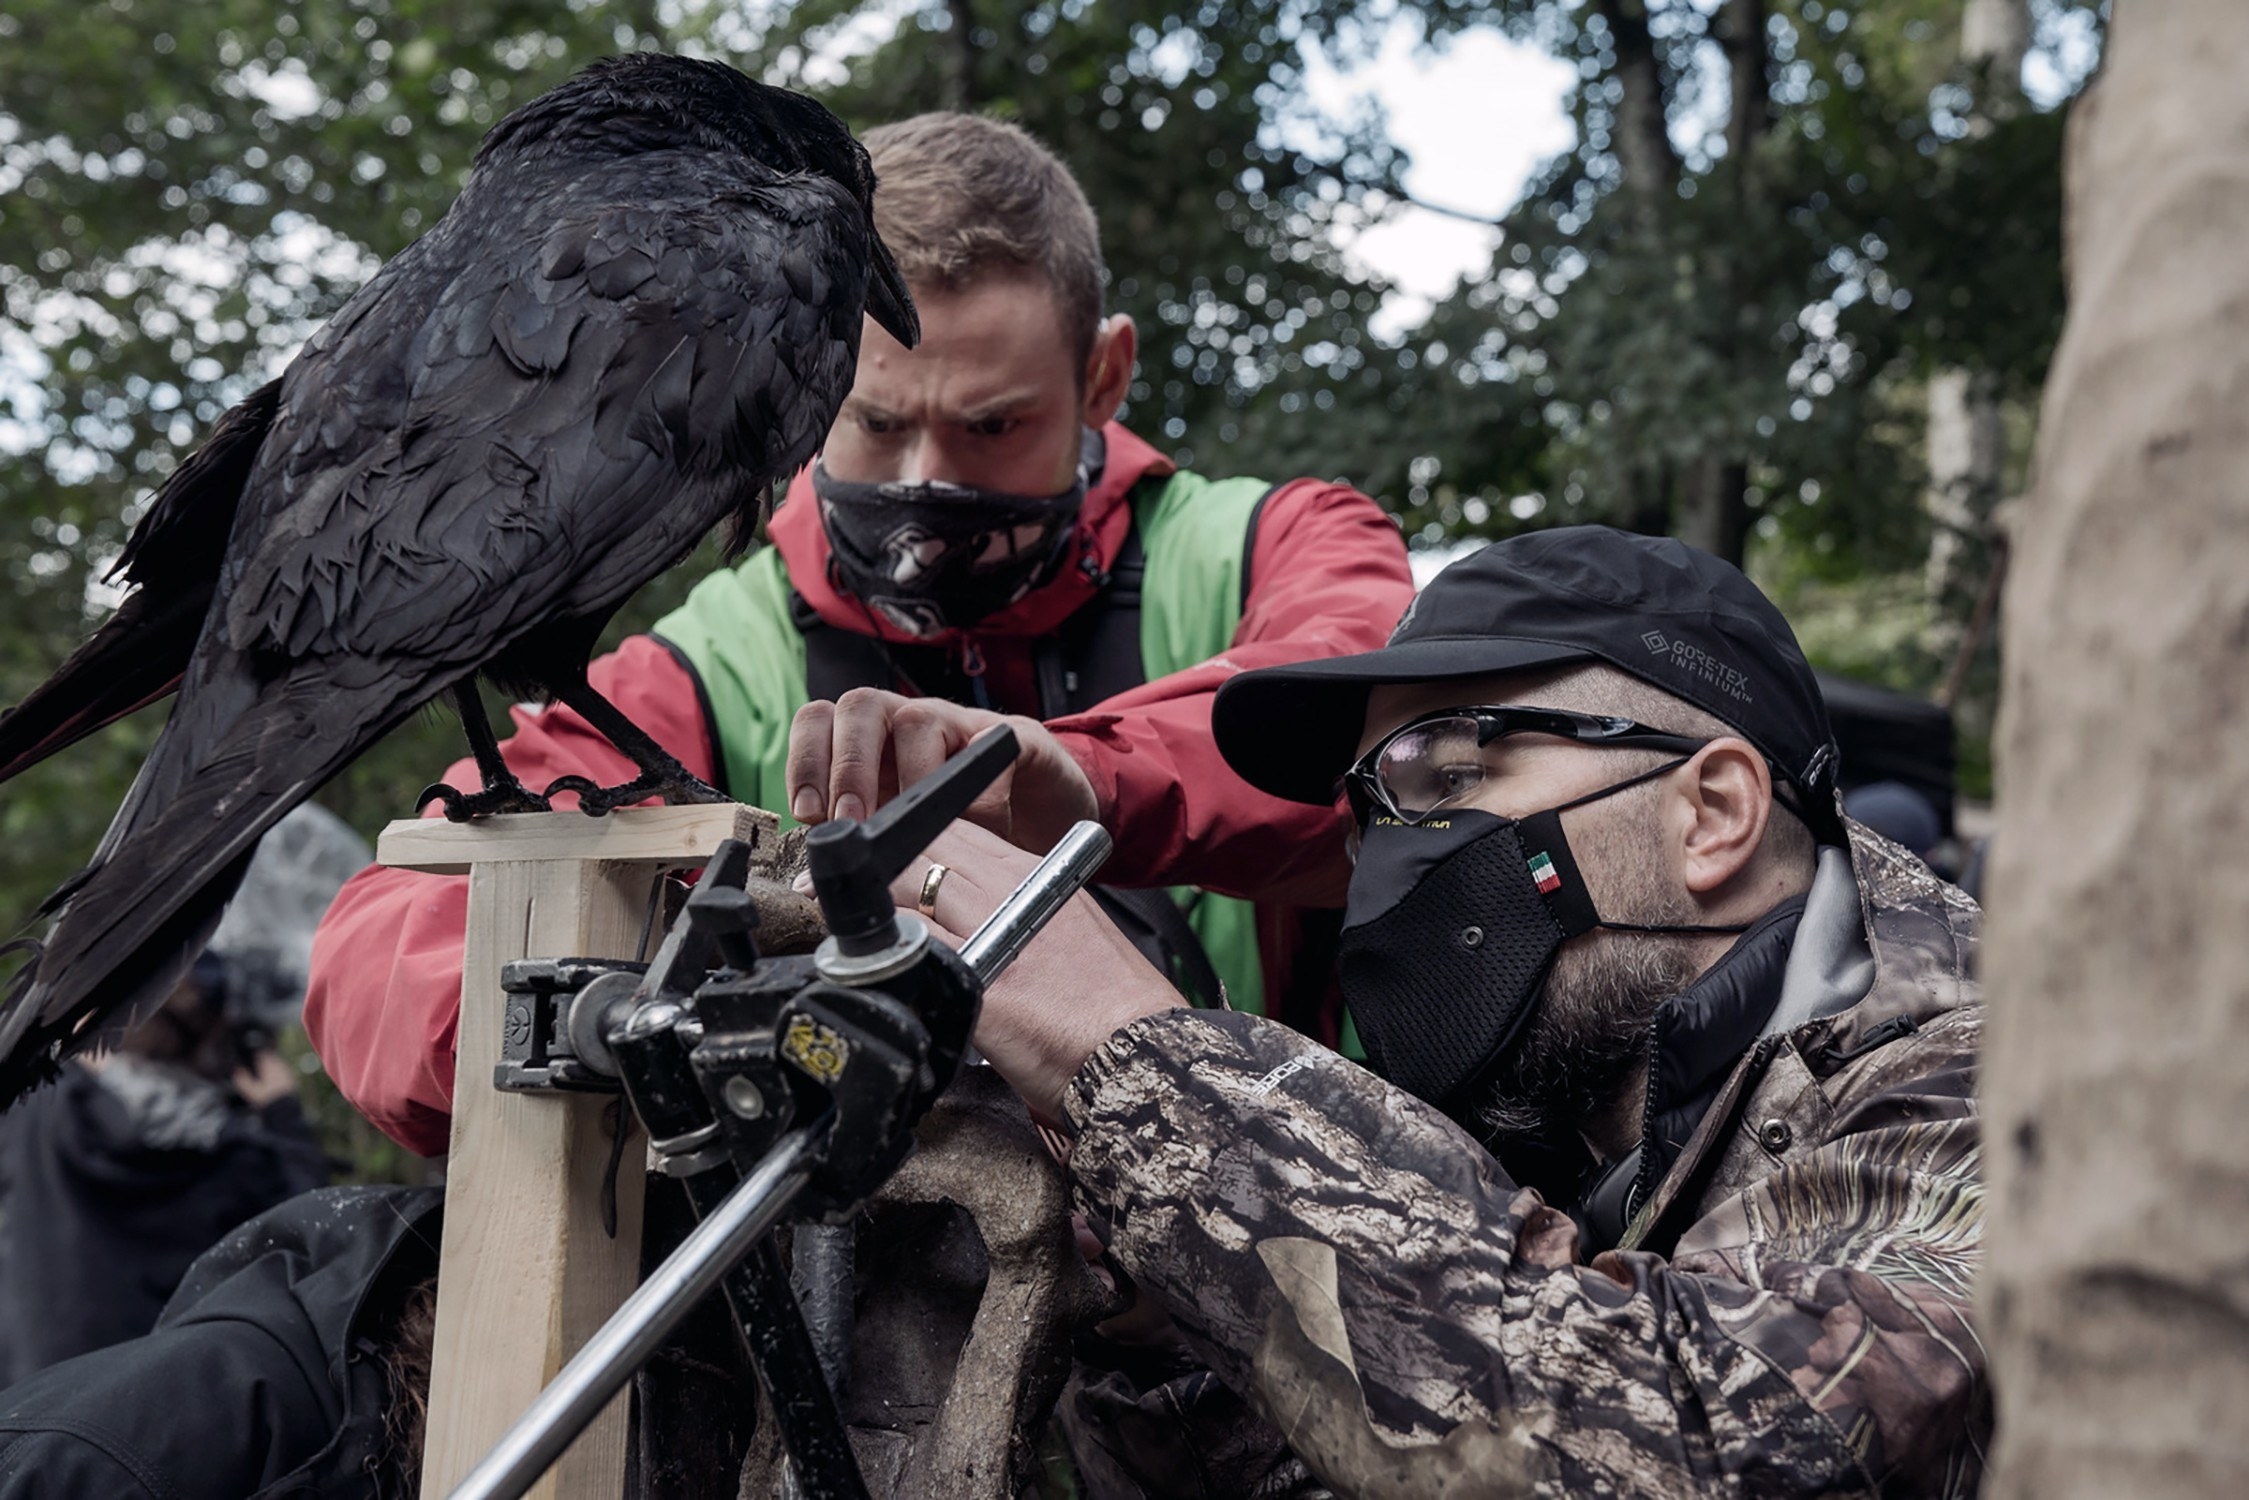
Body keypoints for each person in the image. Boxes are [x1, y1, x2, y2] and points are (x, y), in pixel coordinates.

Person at [303, 112, 1412, 1156]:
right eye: (875, 421)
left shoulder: (1272, 543)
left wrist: (1081, 779)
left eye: (991, 426)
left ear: (1103, 376)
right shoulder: (704, 665)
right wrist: (629, 1015)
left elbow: (1381, 752)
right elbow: (386, 933)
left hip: (1273, 1232)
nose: (925, 484)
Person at [902, 526, 1988, 1496]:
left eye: (1447, 772)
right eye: (1366, 811)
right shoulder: (1562, 1122)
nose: (1384, 861)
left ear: (1710, 814)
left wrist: (1144, 1067)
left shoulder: (1997, 1094)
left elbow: (1707, 1446)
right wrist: (1182, 1326)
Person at [0, 953, 330, 1385]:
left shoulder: (35, 1105)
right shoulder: (230, 1160)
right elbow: (310, 1223)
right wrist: (282, 1112)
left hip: (19, 1391)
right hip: (123, 1403)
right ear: (212, 1041)